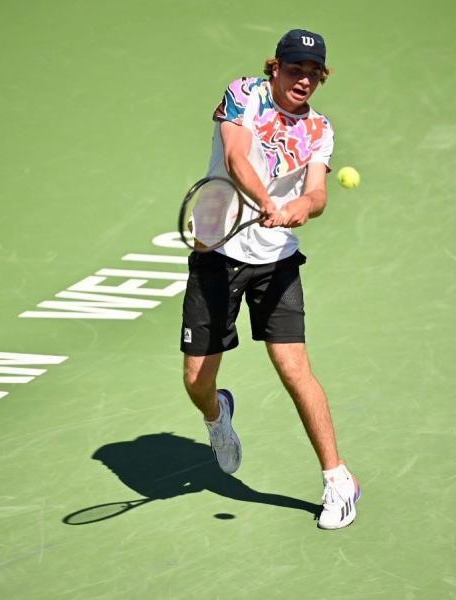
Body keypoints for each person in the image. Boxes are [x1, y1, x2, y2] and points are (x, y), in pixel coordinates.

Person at [180, 29, 360, 530]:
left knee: (293, 367)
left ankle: (338, 480)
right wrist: (267, 203)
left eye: (312, 73)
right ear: (274, 67)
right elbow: (237, 159)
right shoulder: (243, 95)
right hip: (216, 252)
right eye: (294, 68)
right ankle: (218, 416)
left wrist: (300, 207)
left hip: (276, 263)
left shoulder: (319, 129)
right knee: (197, 380)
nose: (303, 79)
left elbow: (318, 194)